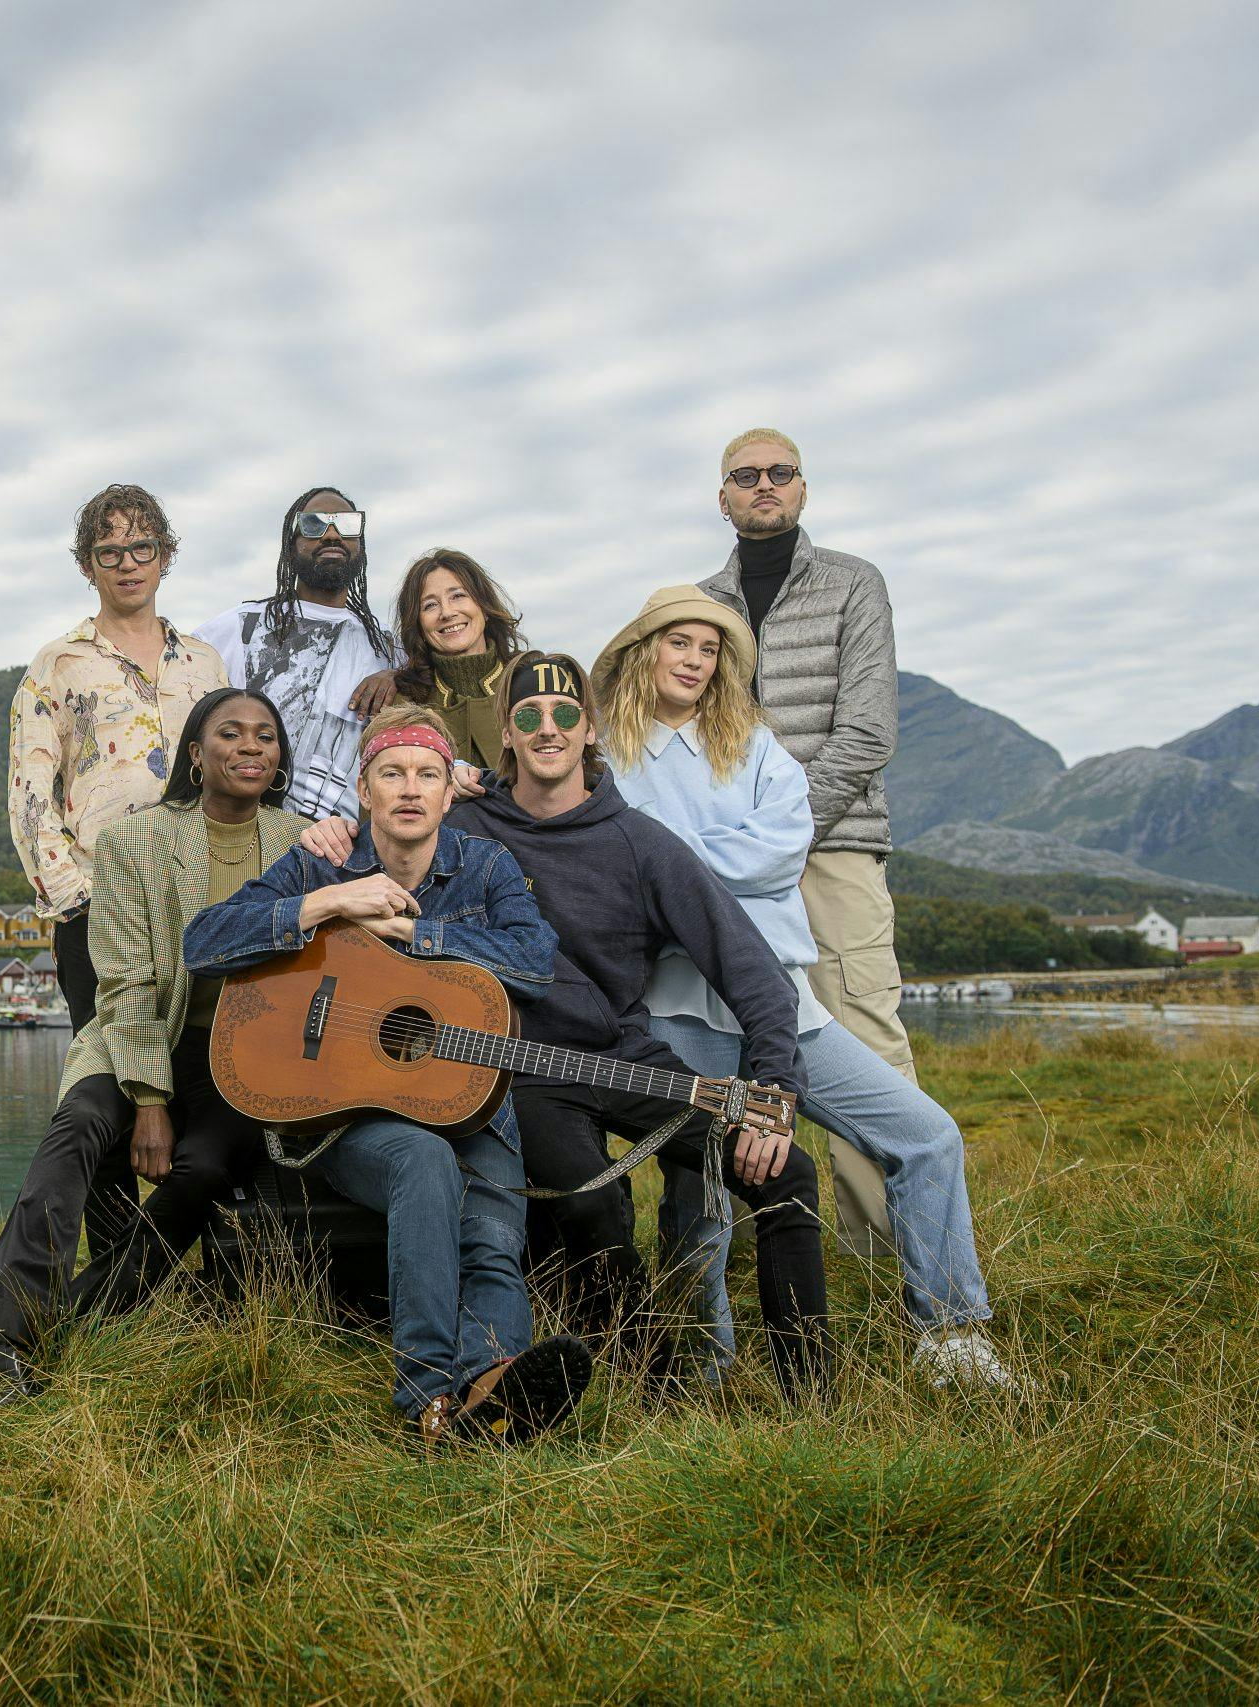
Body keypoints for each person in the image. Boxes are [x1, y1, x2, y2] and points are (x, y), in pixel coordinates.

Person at [298, 656, 830, 1401]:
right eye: (527, 717)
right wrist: (326, 829)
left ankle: (815, 1398)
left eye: (565, 714)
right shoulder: (465, 823)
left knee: (786, 1172)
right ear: (506, 737)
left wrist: (773, 1082)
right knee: (590, 1200)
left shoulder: (641, 842)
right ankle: (653, 1388)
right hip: (518, 1068)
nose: (548, 729)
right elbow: (390, 821)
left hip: (620, 1054)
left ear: (590, 728)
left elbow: (750, 969)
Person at [590, 588, 1017, 1389]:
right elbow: (628, 874)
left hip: (785, 1001)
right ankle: (704, 1361)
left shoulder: (752, 741)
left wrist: (677, 870)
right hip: (680, 1004)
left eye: (709, 648)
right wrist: (685, 871)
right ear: (644, 647)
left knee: (926, 1135)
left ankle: (952, 1334)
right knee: (701, 1190)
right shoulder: (609, 752)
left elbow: (781, 849)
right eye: (677, 641)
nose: (692, 659)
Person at [183, 704, 593, 1444]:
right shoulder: (321, 860)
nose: (410, 788)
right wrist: (334, 900)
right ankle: (427, 1399)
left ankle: (486, 1397)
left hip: (474, 1100)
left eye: (427, 774)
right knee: (422, 1158)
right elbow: (203, 943)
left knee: (492, 1242)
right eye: (392, 773)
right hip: (352, 1113)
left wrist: (414, 931)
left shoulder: (486, 865)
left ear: (445, 794)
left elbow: (534, 962)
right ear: (364, 790)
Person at [0, 688, 305, 1401]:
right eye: (230, 733)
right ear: (194, 755)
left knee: (203, 1167)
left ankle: (77, 1323)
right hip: (134, 1030)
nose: (250, 746)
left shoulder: (301, 843)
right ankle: (9, 1325)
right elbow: (122, 980)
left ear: (279, 758)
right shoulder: (134, 840)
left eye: (265, 736)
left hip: (238, 1056)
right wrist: (149, 1101)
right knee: (83, 1123)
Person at [9, 483, 231, 1034]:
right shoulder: (58, 664)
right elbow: (29, 794)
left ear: (165, 557)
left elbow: (232, 779)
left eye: (142, 548)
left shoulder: (205, 665)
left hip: (201, 902)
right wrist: (75, 900)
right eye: (109, 552)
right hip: (98, 905)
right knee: (106, 1080)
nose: (127, 564)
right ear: (89, 565)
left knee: (203, 1069)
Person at [195, 488, 401, 823]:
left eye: (347, 524)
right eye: (313, 524)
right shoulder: (237, 626)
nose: (332, 534)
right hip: (240, 832)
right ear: (291, 547)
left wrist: (399, 674)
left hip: (340, 849)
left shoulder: (386, 648)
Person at [383, 549, 527, 773]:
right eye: (430, 605)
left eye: (458, 596)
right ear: (418, 625)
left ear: (484, 607)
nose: (447, 613)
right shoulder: (404, 703)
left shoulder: (529, 680)